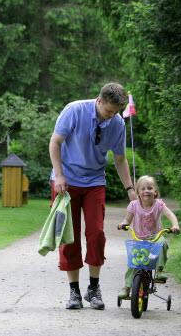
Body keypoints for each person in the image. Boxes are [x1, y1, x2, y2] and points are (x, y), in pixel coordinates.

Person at [49, 82, 136, 310]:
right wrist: (58, 175)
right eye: (108, 111)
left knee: (96, 233)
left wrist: (130, 190)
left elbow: (120, 159)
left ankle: (94, 288)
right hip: (65, 181)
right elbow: (55, 142)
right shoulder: (74, 110)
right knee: (70, 236)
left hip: (95, 181)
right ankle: (74, 292)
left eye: (116, 112)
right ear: (99, 101)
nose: (112, 116)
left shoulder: (117, 123)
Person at [116, 175, 181, 299]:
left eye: (150, 188)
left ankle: (159, 270)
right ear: (138, 192)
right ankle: (127, 287)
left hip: (155, 236)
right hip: (139, 239)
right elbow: (127, 219)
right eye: (143, 188)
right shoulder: (134, 205)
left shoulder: (159, 204)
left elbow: (170, 214)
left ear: (155, 192)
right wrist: (124, 224)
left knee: (162, 243)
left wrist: (175, 225)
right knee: (133, 263)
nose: (146, 191)